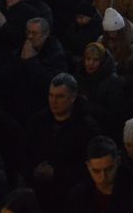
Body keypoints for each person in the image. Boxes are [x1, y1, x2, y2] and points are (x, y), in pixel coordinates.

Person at [23, 74, 102, 209]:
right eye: (51, 95)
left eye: (60, 96)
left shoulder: (87, 128)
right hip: (38, 195)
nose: (53, 101)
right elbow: (24, 151)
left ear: (72, 97)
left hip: (70, 199)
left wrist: (57, 174)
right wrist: (32, 169)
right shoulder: (37, 121)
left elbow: (89, 167)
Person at [64, 135, 133, 212]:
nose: (103, 177)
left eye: (109, 169)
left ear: (118, 161)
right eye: (96, 171)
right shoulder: (77, 197)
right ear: (88, 166)